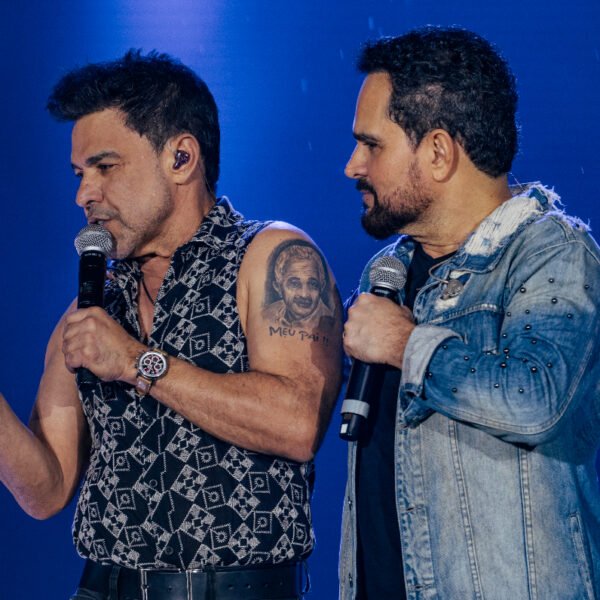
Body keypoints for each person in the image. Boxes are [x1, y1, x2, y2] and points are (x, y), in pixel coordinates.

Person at [0, 50, 343, 600]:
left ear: (181, 158)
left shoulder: (272, 256)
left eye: (105, 167)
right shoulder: (90, 310)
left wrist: (135, 362)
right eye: (80, 174)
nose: (84, 194)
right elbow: (48, 489)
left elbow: (297, 423)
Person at [339, 26, 600, 599]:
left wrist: (407, 346)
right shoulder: (386, 274)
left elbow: (535, 400)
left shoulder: (551, 254)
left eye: (372, 145)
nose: (353, 165)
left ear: (438, 152)